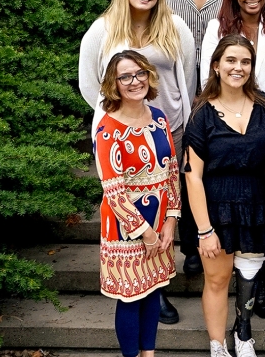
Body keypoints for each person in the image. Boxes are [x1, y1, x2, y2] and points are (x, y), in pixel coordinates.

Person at [79, 0, 195, 326]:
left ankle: (158, 285)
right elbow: (88, 83)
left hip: (167, 128)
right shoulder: (103, 29)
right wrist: (117, 115)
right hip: (122, 137)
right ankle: (141, 290)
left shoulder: (175, 27)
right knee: (132, 210)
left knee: (164, 212)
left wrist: (177, 119)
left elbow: (187, 78)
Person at [184, 36, 265, 357]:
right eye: (230, 60)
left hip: (255, 204)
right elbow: (192, 175)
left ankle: (243, 333)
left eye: (245, 62)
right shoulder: (202, 113)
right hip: (214, 208)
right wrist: (204, 230)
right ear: (216, 65)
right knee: (217, 280)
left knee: (250, 276)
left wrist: (251, 172)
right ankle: (218, 345)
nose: (237, 67)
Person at [93, 50, 180, 357]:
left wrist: (171, 220)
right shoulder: (107, 129)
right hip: (125, 227)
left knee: (153, 290)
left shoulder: (159, 117)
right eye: (125, 76)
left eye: (140, 73)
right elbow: (114, 192)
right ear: (113, 84)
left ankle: (149, 355)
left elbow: (171, 170)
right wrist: (146, 233)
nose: (135, 81)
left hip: (160, 224)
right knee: (130, 296)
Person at [163, 0, 227, 276]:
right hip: (179, 91)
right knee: (184, 170)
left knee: (210, 170)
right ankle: (189, 246)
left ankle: (213, 235)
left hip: (218, 90)